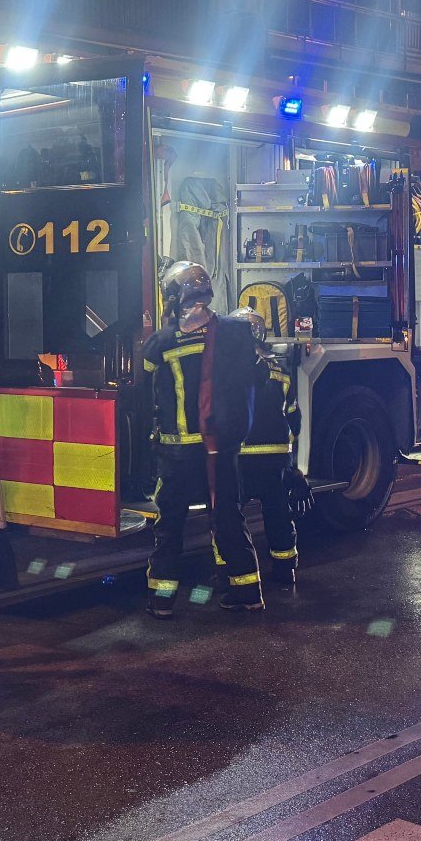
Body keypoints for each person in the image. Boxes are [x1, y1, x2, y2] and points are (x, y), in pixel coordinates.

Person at [142, 261, 266, 618]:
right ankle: (247, 593)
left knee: (170, 525)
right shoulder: (236, 332)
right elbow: (257, 379)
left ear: (172, 296)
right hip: (220, 448)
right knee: (227, 517)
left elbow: (144, 394)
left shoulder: (161, 342)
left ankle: (162, 600)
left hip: (177, 453)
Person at [226, 306, 310, 589]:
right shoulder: (281, 372)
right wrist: (293, 464)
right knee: (278, 514)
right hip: (276, 460)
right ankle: (286, 570)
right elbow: (294, 419)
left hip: (240, 459)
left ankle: (229, 573)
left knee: (228, 517)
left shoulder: (228, 372)